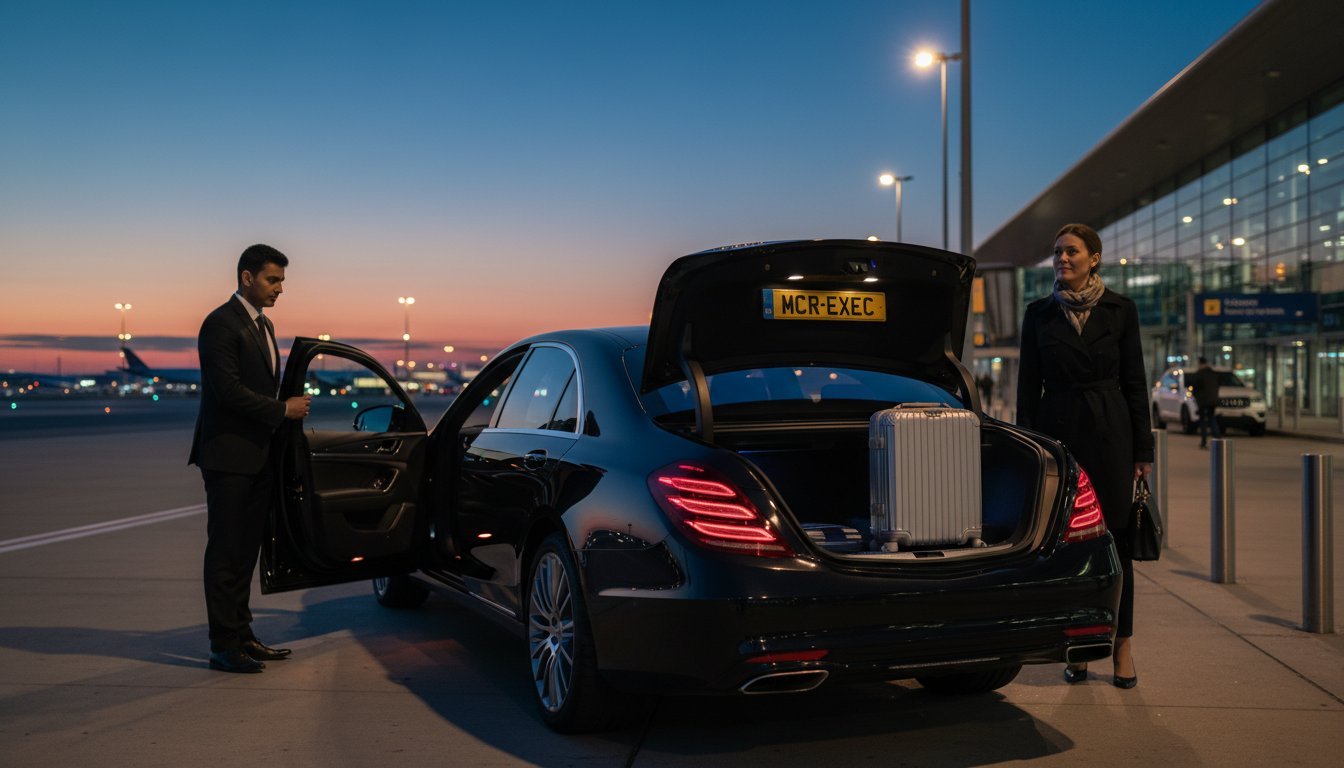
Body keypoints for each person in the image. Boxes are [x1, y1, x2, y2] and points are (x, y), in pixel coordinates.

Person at [1016, 223, 1154, 689]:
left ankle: (1122, 645)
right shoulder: (1038, 314)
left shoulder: (1121, 310)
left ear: (1094, 258)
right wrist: (1029, 449)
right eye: (1057, 252)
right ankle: (1074, 646)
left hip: (1111, 435)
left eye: (1071, 251)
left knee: (1115, 546)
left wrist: (1143, 451)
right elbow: (1026, 391)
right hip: (1058, 436)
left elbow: (1136, 384)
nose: (1062, 259)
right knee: (1062, 546)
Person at [189, 244, 311, 673]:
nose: (280, 288)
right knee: (226, 552)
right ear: (246, 277)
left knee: (245, 552)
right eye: (272, 280)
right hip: (228, 457)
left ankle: (242, 635)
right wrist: (283, 410)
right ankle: (223, 645)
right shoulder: (220, 325)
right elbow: (228, 391)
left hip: (258, 457)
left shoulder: (264, 325)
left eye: (281, 281)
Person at [1188, 356, 1222, 448]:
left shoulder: (1199, 374)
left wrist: (1196, 397)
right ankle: (1218, 440)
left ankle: (1204, 442)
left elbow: (1195, 387)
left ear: (1200, 363)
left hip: (1203, 401)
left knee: (1203, 421)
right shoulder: (1213, 373)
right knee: (1212, 419)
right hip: (1213, 400)